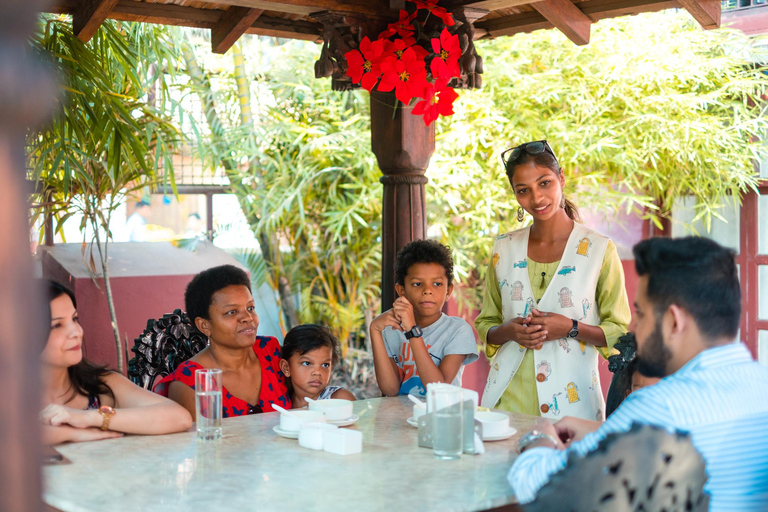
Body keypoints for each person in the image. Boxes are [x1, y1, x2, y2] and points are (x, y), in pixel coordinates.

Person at [509, 237, 768, 511]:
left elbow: (537, 487)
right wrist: (606, 432)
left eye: (641, 314)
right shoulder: (761, 388)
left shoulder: (660, 407)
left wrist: (540, 438)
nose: (633, 328)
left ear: (673, 322)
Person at [475, 140, 631, 420]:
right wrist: (510, 331)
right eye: (523, 191)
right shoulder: (504, 248)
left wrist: (571, 327)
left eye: (544, 183)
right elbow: (487, 324)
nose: (536, 198)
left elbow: (618, 330)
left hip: (574, 409)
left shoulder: (599, 250)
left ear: (561, 178)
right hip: (505, 403)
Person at [40, 281, 192, 445]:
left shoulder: (102, 386)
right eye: (56, 325)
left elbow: (179, 417)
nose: (76, 332)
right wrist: (72, 433)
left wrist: (89, 417)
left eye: (74, 319)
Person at [154, 265, 291, 416]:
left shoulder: (272, 353)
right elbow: (194, 439)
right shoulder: (190, 384)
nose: (247, 318)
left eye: (250, 308)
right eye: (231, 312)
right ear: (204, 325)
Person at [371, 239, 478, 397]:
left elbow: (438, 389)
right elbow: (390, 390)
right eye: (417, 284)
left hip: (440, 418)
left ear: (448, 291)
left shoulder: (458, 330)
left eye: (436, 284)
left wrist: (412, 331)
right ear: (402, 290)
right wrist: (374, 330)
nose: (428, 290)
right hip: (400, 418)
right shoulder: (390, 330)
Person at [279, 324, 356, 408]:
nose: (317, 372)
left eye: (325, 365)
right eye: (307, 363)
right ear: (286, 368)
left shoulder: (340, 400)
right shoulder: (279, 402)